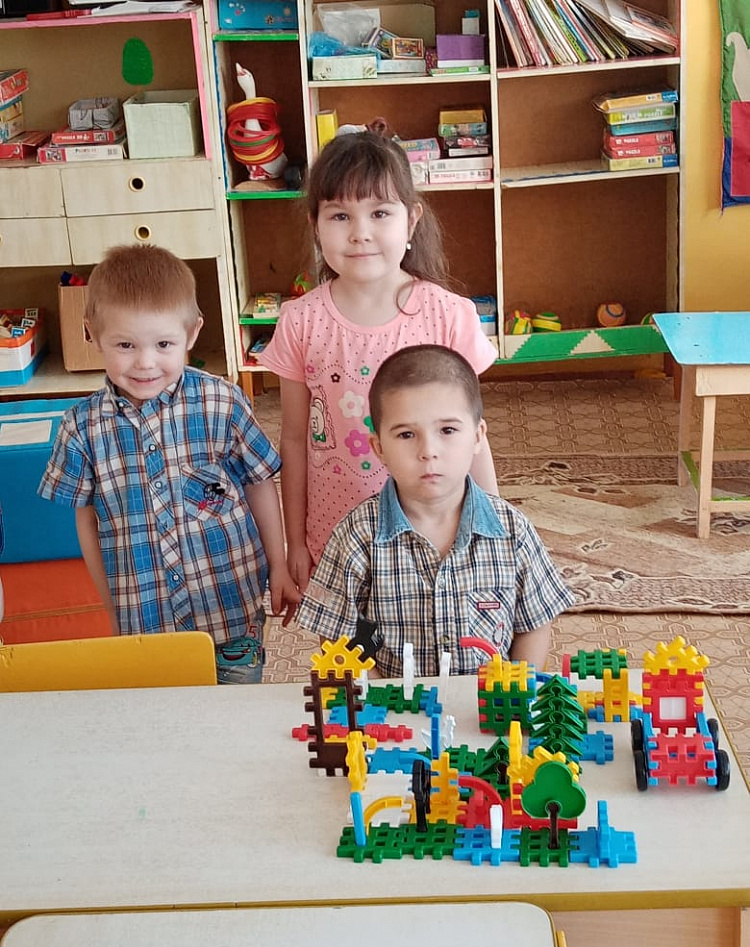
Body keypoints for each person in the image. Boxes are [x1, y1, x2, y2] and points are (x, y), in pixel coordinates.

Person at [38, 244, 299, 683]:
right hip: (145, 619)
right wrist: (111, 607)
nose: (145, 363)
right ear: (91, 334)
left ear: (192, 334)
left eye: (163, 344)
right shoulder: (80, 427)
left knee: (236, 708)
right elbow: (88, 524)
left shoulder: (222, 402)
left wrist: (279, 565)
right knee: (165, 714)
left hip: (232, 609)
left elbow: (258, 484)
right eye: (125, 344)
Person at [262, 130, 498, 593]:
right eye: (340, 215)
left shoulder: (449, 315)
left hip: (435, 529)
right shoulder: (300, 321)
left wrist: (496, 527)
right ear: (315, 225)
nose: (360, 233)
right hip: (337, 535)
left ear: (411, 221)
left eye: (380, 213)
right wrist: (296, 543)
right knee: (353, 640)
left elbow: (473, 436)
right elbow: (293, 439)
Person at [296, 345, 575, 676]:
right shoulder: (356, 536)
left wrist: (516, 689)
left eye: (447, 430)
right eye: (406, 434)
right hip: (395, 702)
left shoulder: (513, 530)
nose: (428, 451)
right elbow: (336, 634)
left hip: (489, 703)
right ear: (379, 447)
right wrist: (377, 694)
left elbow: (535, 624)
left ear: (477, 437)